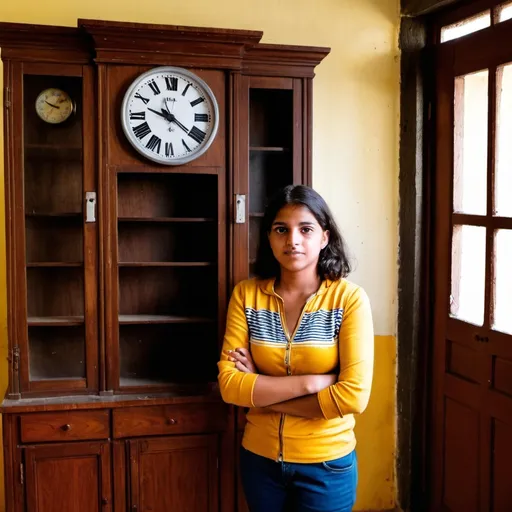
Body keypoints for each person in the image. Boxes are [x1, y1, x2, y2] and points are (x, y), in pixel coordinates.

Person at [217, 185, 374, 512]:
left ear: (324, 237)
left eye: (306, 229)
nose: (293, 240)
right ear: (269, 238)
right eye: (281, 230)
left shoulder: (348, 299)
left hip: (327, 464)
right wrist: (313, 382)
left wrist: (260, 390)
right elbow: (231, 387)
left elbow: (353, 396)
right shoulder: (246, 295)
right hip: (260, 460)